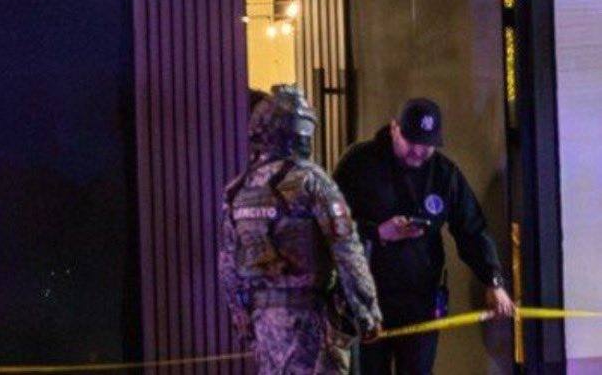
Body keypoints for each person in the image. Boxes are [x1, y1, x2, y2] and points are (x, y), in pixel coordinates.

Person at [334, 98, 515, 374]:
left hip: (420, 300)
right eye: (411, 142)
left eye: (427, 145)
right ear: (394, 129)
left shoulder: (443, 174)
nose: (418, 151)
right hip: (366, 301)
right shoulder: (359, 163)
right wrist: (377, 232)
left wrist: (494, 280)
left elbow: (472, 230)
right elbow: (330, 225)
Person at [220, 86, 382, 374]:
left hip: (264, 325)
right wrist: (367, 312)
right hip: (311, 324)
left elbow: (228, 265)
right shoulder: (311, 181)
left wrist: (242, 321)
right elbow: (347, 248)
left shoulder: (238, 190)